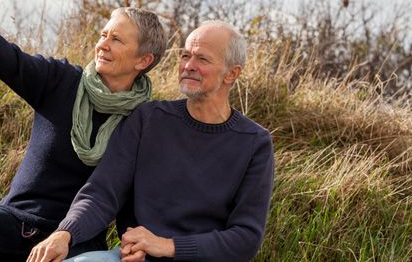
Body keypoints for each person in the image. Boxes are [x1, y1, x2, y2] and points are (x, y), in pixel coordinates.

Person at [0, 0, 167, 262]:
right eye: (103, 35)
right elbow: (9, 59)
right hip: (13, 222)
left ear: (143, 61)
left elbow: (131, 195)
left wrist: (133, 243)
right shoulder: (61, 81)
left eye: (116, 39)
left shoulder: (144, 122)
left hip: (75, 242)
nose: (102, 45)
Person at [27, 21, 274, 262]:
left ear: (232, 73)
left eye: (202, 59)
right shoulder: (149, 119)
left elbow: (245, 239)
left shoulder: (254, 143)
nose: (188, 65)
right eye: (185, 55)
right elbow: (102, 192)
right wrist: (65, 233)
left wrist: (167, 246)